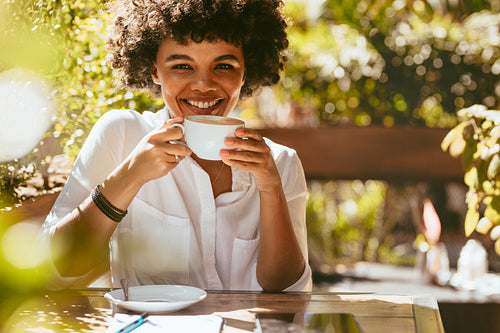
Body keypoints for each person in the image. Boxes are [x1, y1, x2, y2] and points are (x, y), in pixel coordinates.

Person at [37, 0, 312, 292]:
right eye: (182, 65)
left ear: (245, 71)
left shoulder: (280, 162)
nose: (204, 84)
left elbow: (289, 293)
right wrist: (132, 174)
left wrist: (270, 188)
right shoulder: (122, 135)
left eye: (224, 66)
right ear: (154, 69)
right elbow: (52, 271)